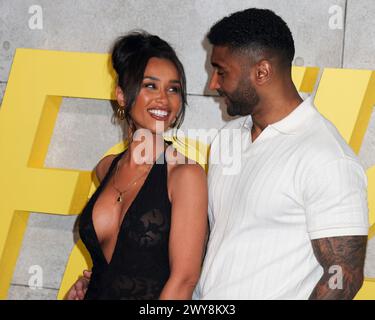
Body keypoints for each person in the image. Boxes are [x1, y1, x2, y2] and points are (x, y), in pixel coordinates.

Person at [193, 8, 368, 299]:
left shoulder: (326, 157)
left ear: (261, 71)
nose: (213, 84)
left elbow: (344, 275)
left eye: (221, 72)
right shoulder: (228, 138)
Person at [66, 31, 208, 300]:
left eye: (173, 89)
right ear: (121, 95)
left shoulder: (185, 176)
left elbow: (183, 281)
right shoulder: (106, 168)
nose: (164, 99)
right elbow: (112, 266)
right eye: (150, 86)